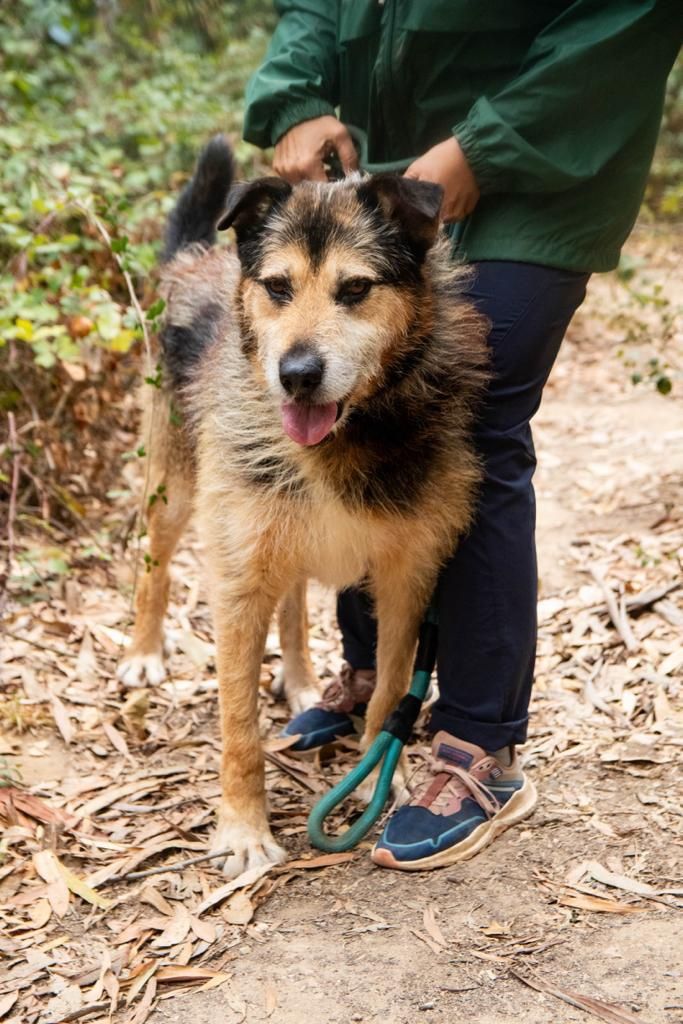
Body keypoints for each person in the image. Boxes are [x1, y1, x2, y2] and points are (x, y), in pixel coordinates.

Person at [241, 1, 682, 871]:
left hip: (547, 157)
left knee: (473, 412)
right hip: (388, 170)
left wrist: (484, 147)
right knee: (353, 405)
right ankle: (376, 667)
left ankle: (478, 743)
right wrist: (291, 100)